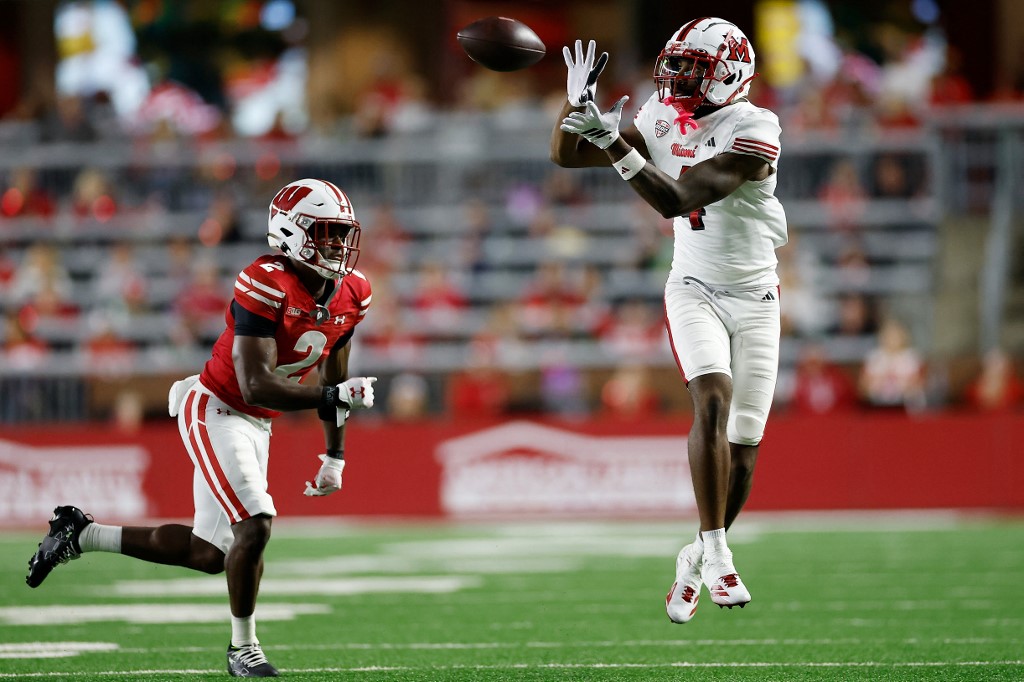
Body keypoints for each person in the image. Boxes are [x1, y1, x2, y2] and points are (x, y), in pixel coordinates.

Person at [26, 178, 379, 678]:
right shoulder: (265, 280)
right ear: (292, 232)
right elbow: (255, 384)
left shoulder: (354, 292)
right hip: (215, 407)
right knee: (255, 521)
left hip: (257, 423)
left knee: (209, 553)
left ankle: (81, 534)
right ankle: (244, 649)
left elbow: (334, 375)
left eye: (342, 233)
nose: (339, 244)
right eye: (327, 232)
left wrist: (334, 455)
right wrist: (332, 398)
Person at [551, 19, 787, 624]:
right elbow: (566, 154)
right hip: (692, 287)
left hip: (756, 296)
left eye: (692, 68)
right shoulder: (660, 115)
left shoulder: (754, 127)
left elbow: (677, 199)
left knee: (746, 447)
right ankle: (718, 552)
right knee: (712, 398)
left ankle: (695, 556)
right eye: (676, 65)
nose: (677, 78)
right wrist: (574, 106)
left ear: (731, 75)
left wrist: (612, 142)